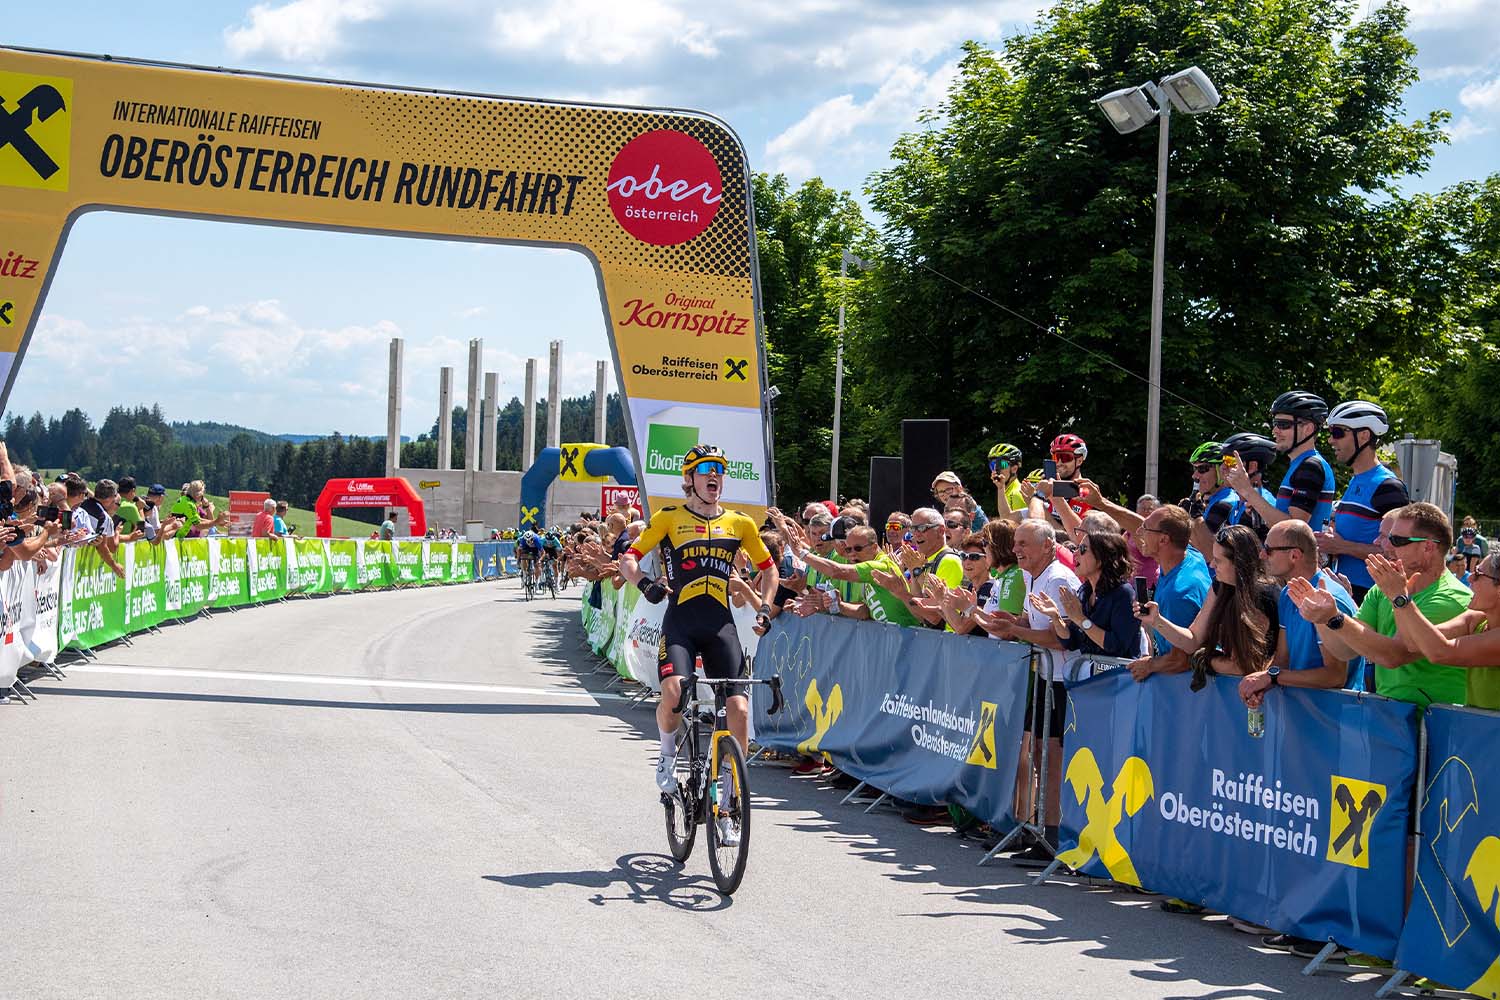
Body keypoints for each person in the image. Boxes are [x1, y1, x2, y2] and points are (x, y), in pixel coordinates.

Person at [619, 444, 778, 848]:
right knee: (674, 691)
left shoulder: (740, 523)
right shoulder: (669, 518)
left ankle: (727, 802)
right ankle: (668, 752)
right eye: (707, 470)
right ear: (689, 478)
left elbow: (769, 568)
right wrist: (645, 584)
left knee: (739, 708)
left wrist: (764, 607)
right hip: (682, 624)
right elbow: (628, 559)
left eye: (721, 471)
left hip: (721, 624)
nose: (715, 477)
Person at [1288, 502, 1469, 708]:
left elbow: (1394, 655)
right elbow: (1346, 650)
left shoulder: (1451, 597)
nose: (1384, 545)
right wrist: (1322, 618)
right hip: (1393, 721)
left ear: (1428, 546)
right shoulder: (1385, 587)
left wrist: (1335, 618)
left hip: (1438, 728)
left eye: (1396, 540)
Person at [979, 519, 1080, 862]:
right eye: (1016, 543)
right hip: (1043, 674)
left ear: (1048, 546)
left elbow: (1059, 637)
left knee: (1052, 755)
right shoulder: (1028, 576)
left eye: (1024, 544)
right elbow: (1029, 620)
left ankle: (1053, 833)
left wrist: (1017, 632)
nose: (1016, 549)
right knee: (1037, 750)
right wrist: (1009, 624)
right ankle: (1034, 826)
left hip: (1064, 678)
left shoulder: (1059, 579)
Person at [1139, 525, 1278, 690]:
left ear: (1238, 563)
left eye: (1218, 560)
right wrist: (1157, 620)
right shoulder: (1222, 585)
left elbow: (1242, 667)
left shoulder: (1262, 596)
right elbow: (1193, 640)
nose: (1212, 565)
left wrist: (1202, 660)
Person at [1239, 520, 1358, 705]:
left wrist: (1273, 677)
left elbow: (1334, 676)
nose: (1262, 555)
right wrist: (1260, 684)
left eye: (1269, 550)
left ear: (1294, 555)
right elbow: (1282, 659)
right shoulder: (1288, 593)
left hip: (1335, 719)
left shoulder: (1330, 599)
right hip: (1303, 713)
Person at [1367, 551, 1500, 710]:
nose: (1469, 578)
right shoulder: (1477, 618)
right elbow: (1413, 643)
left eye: (1478, 574)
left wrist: (1401, 598)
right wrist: (1399, 599)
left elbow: (1440, 652)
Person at [1317, 400, 1409, 602]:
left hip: (1372, 595)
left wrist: (1342, 546)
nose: (1331, 440)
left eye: (1338, 432)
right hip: (1346, 589)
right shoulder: (1356, 480)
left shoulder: (1387, 486)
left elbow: (1401, 552)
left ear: (1364, 435)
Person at [1223, 391, 1335, 532]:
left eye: (1283, 424)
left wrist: (1247, 491)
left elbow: (1294, 530)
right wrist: (1261, 510)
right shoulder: (1300, 464)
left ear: (1308, 429)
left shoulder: (1311, 466)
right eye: (1275, 423)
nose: (1275, 430)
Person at [1127, 504, 1212, 684]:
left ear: (1164, 540)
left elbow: (1181, 660)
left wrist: (1149, 665)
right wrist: (1101, 503)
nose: (1140, 531)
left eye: (1146, 528)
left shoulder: (1178, 593)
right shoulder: (1191, 554)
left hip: (1187, 690)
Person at [1030, 531, 1142, 660]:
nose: (1075, 553)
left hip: (1117, 677)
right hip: (1091, 676)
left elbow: (1116, 645)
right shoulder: (1086, 591)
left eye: (1082, 549)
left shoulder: (1123, 593)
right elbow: (1071, 642)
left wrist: (1080, 619)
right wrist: (1056, 617)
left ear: (1101, 558)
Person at [1217, 432, 1278, 540]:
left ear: (1252, 467)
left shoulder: (1262, 502)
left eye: (1230, 461)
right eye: (1224, 460)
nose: (1222, 467)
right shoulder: (1239, 502)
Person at [1183, 441, 1236, 558]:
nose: (1195, 476)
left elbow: (1209, 554)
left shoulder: (1225, 503)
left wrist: (1195, 516)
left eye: (1202, 469)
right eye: (1195, 469)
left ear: (1220, 470)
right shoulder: (1211, 501)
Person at [988, 443, 1026, 519]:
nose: (996, 469)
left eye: (1002, 464)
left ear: (1014, 469)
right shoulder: (1006, 490)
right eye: (992, 465)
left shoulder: (1016, 494)